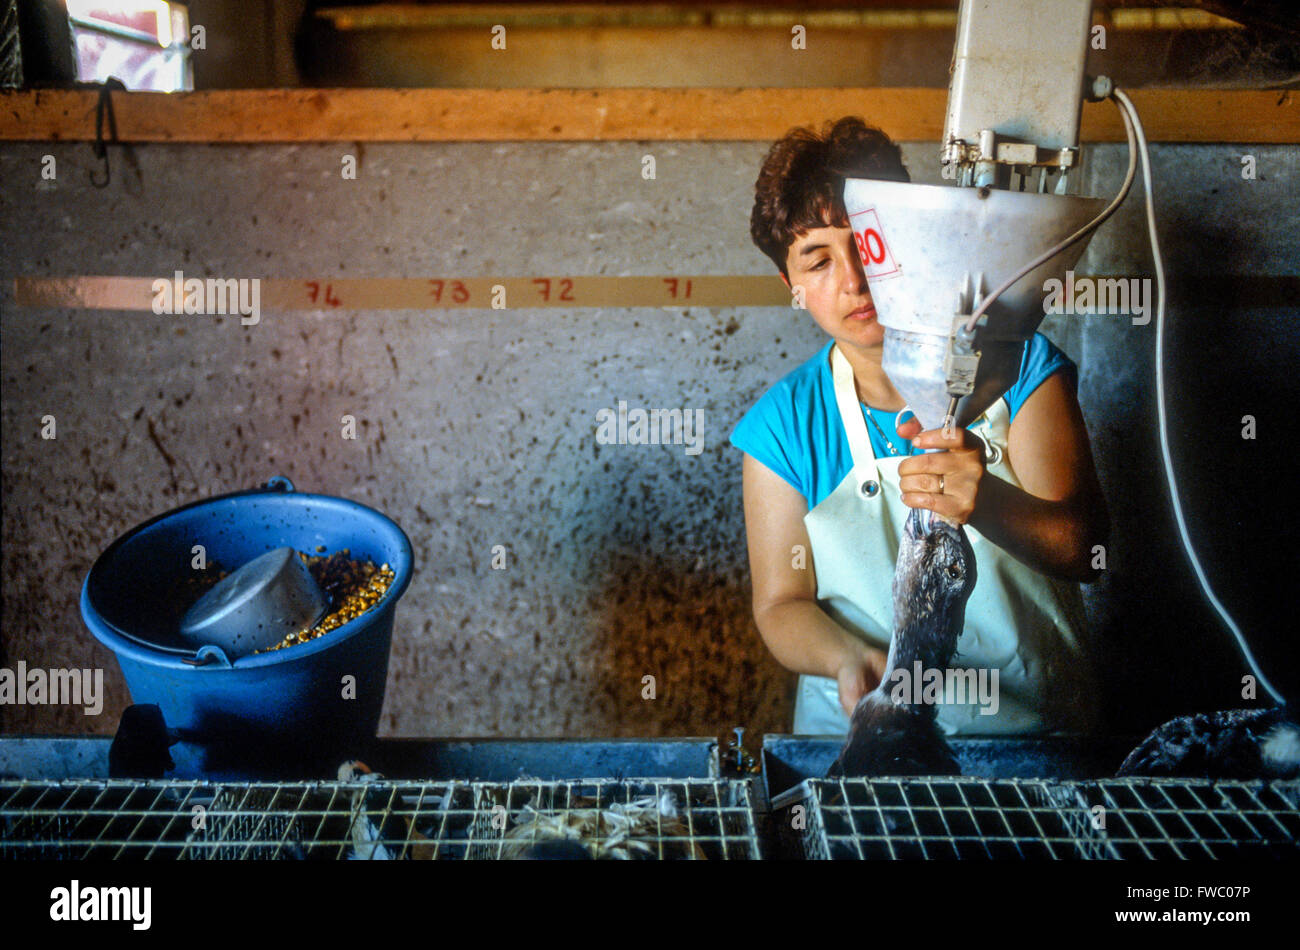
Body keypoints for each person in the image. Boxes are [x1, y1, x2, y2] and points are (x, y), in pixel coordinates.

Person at [730, 117, 1109, 736]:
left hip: (1029, 738)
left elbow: (1085, 549)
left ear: (912, 237)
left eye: (868, 243)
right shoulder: (782, 424)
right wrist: (847, 660)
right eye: (818, 261)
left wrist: (984, 501)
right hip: (860, 741)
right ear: (790, 286)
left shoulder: (1020, 364)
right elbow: (781, 604)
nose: (854, 280)